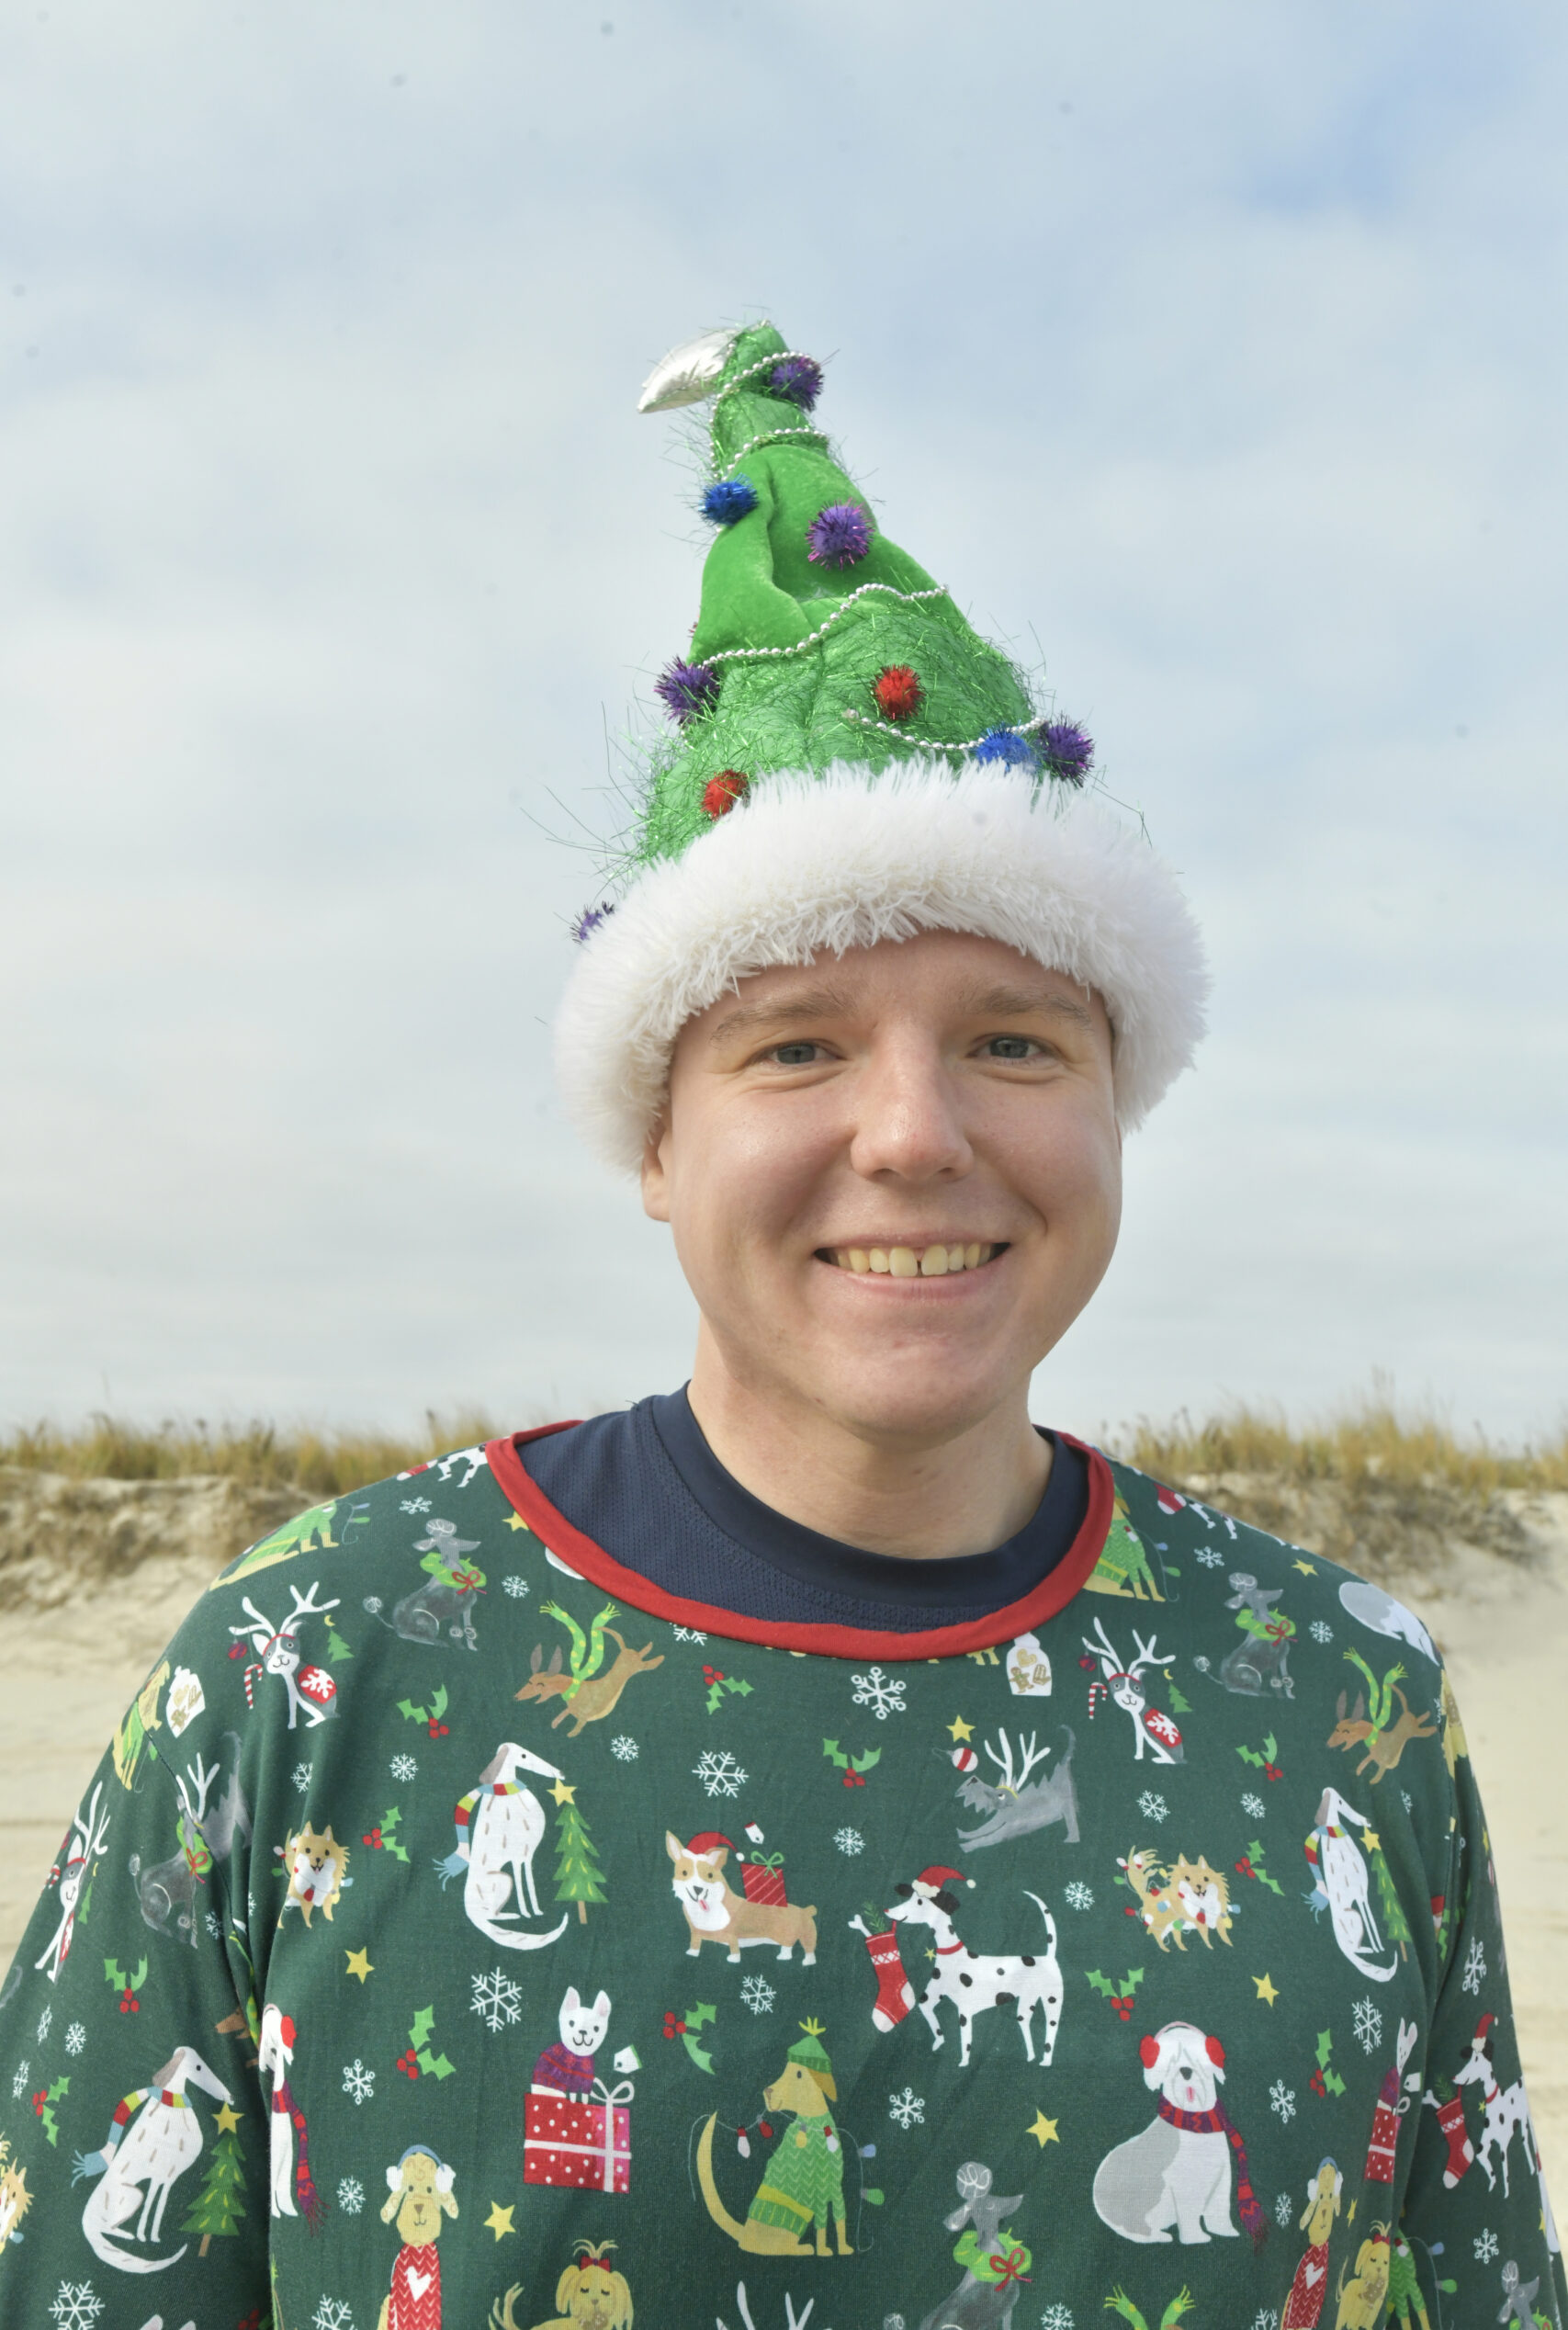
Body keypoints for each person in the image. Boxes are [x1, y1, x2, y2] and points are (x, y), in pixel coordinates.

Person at [0, 323, 1558, 2330]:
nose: (910, 1134)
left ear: (1115, 1102)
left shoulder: (1346, 1707)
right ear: (655, 1136)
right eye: (794, 1042)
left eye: (1011, 1037)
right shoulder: (306, 1673)